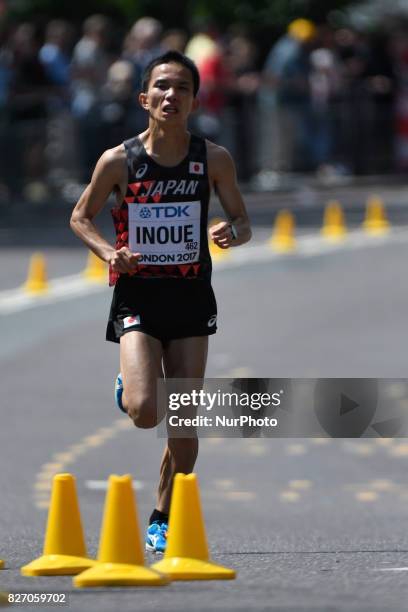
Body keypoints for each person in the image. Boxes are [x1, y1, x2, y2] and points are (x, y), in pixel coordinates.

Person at [70, 50, 251, 553]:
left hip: (192, 296)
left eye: (183, 89)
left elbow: (243, 219)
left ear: (195, 99)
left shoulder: (212, 158)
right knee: (147, 410)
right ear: (144, 98)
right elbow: (80, 216)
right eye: (163, 87)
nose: (172, 96)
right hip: (139, 295)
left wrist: (231, 232)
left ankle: (162, 514)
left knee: (185, 421)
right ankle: (130, 386)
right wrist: (110, 253)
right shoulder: (118, 160)